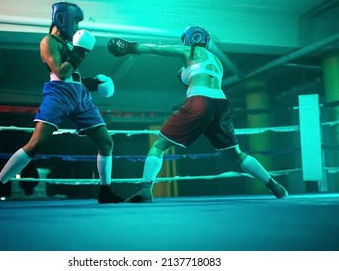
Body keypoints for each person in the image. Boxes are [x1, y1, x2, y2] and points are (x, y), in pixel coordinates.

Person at [107, 26, 288, 202]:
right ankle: (275, 186)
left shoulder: (189, 51)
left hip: (199, 101)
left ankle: (145, 190)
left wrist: (130, 47)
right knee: (236, 155)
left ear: (190, 39)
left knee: (158, 146)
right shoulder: (217, 62)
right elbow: (194, 73)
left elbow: (157, 49)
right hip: (221, 105)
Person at [0, 2, 124, 208]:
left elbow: (73, 75)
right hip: (59, 94)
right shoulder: (48, 41)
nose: (76, 27)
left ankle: (105, 190)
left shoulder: (68, 44)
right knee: (36, 143)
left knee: (106, 143)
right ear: (62, 19)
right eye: (74, 21)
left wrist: (92, 83)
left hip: (80, 95)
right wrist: (80, 51)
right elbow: (61, 72)